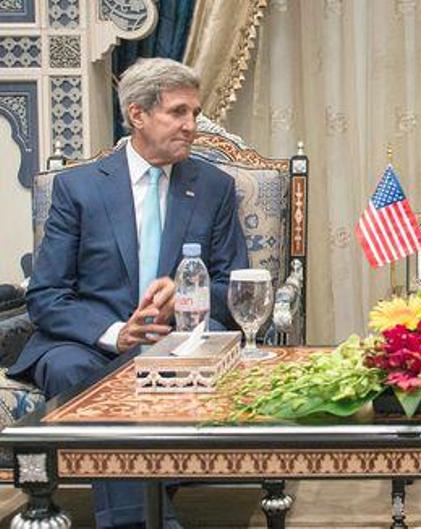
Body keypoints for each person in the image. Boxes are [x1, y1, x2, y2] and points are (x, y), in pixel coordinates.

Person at [8, 57, 248, 529]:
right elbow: (48, 294)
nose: (191, 126)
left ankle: (134, 517)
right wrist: (116, 334)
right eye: (178, 112)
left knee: (183, 366)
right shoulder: (78, 189)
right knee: (73, 370)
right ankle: (145, 518)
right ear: (138, 114)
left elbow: (233, 285)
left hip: (181, 342)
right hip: (89, 346)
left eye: (194, 114)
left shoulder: (215, 186)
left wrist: (186, 295)